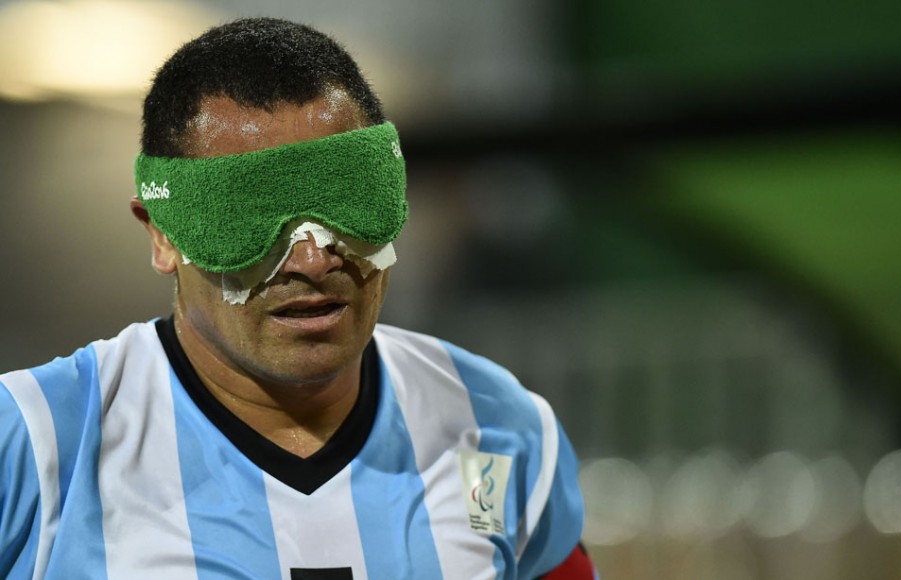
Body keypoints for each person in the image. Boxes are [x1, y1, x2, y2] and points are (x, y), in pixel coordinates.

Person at [0, 17, 594, 579]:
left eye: (347, 201)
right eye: (247, 216)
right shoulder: (32, 443)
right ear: (161, 234)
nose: (312, 261)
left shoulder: (500, 429)